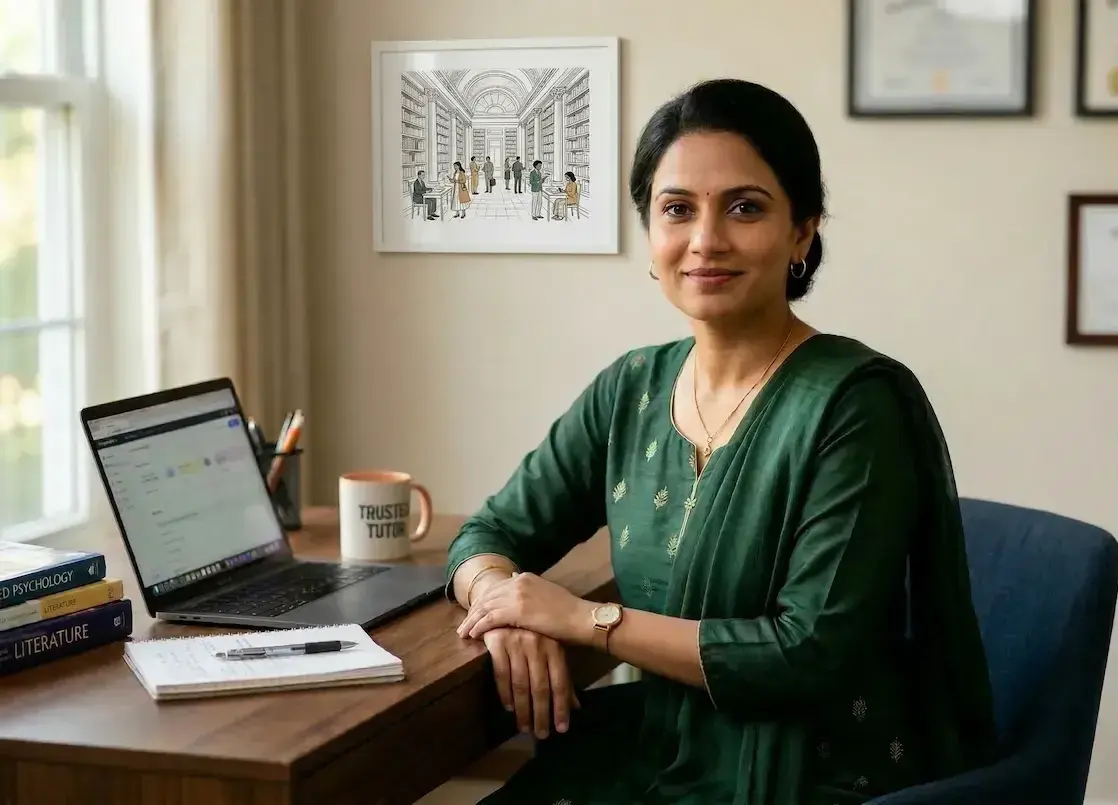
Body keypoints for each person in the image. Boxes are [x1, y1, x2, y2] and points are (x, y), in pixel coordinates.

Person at [446, 78, 997, 805]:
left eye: (745, 207)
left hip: (811, 767)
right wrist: (502, 605)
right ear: (651, 234)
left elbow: (805, 655)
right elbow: (490, 532)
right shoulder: (632, 389)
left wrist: (582, 619)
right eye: (678, 209)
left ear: (802, 232)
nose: (706, 240)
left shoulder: (856, 405)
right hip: (659, 745)